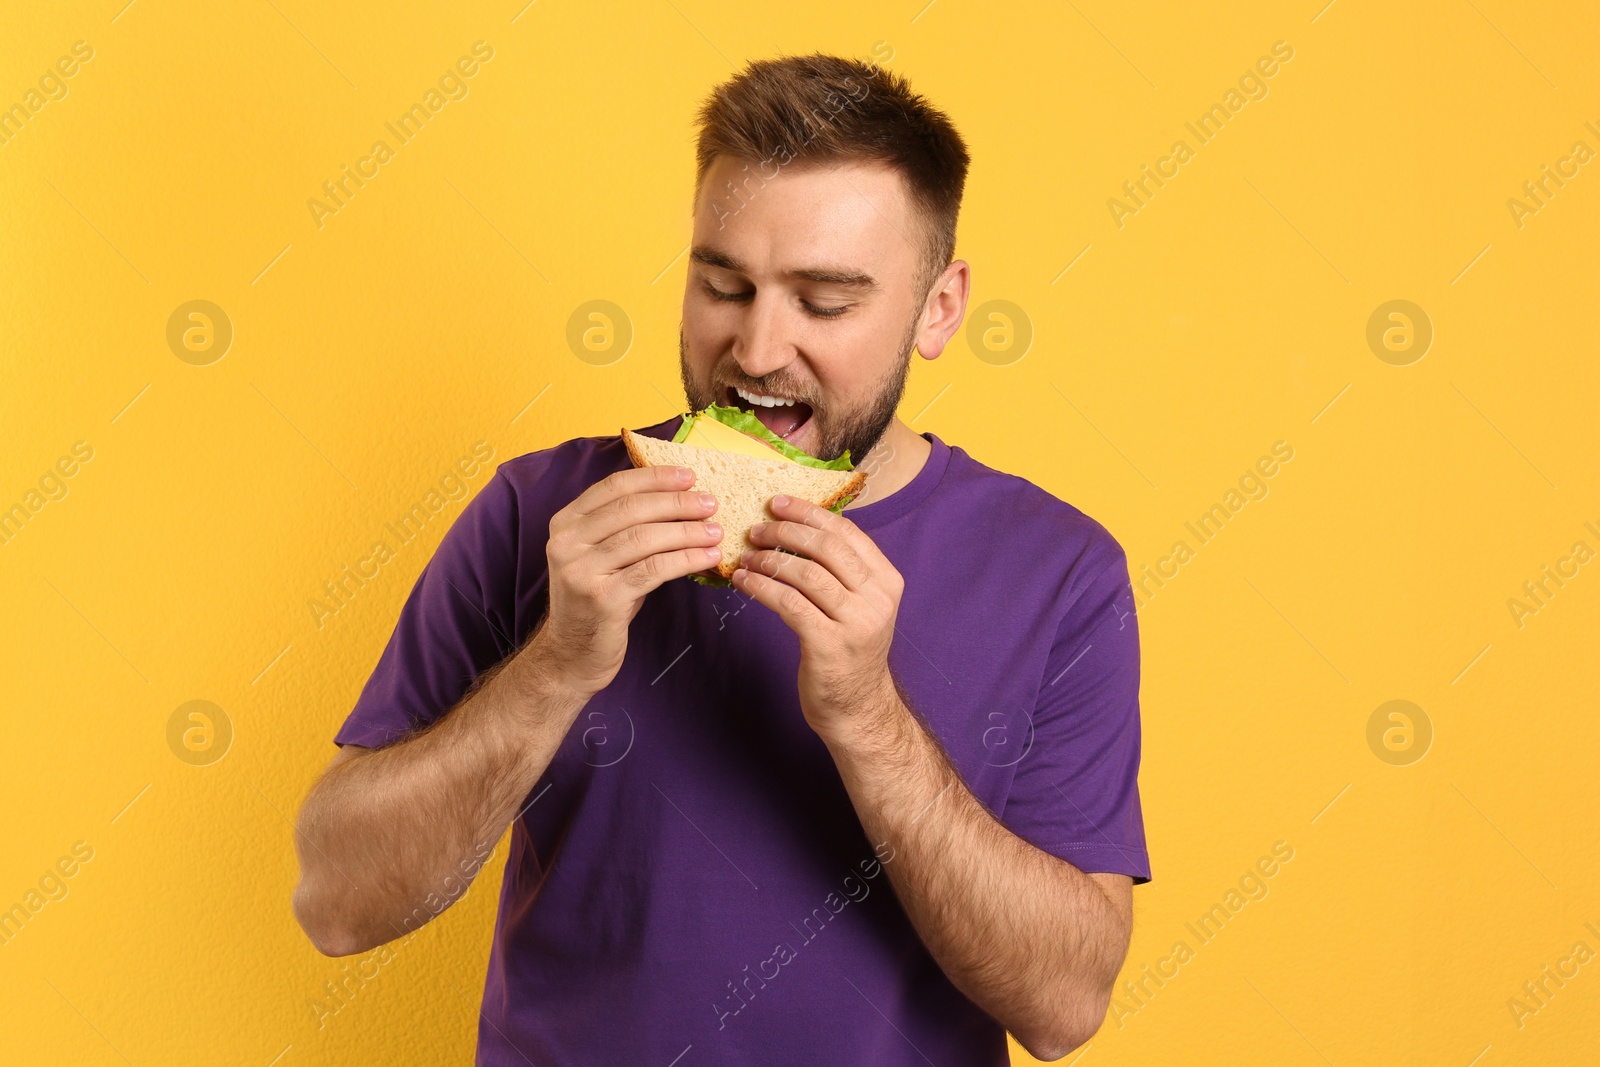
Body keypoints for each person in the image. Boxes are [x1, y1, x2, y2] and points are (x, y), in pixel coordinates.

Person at [291, 52, 1150, 1065]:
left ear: (938, 309)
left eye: (824, 301)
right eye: (722, 284)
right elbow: (336, 903)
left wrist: (868, 720)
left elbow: (1063, 1007)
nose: (755, 348)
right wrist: (559, 663)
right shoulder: (537, 513)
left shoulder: (1059, 572)